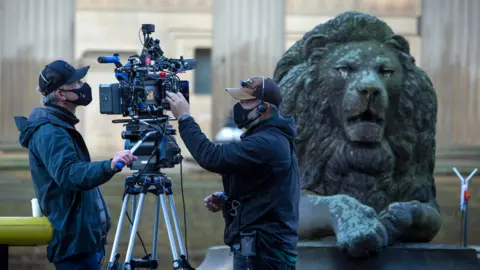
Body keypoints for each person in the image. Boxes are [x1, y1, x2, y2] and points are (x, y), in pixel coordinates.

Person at [166, 76, 300, 270]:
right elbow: (265, 191)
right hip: (259, 247)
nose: (239, 107)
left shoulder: (268, 142)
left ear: (265, 108)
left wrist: (185, 118)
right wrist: (229, 199)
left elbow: (212, 157)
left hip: (265, 252)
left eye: (246, 102)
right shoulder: (269, 138)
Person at [14, 60, 136, 270]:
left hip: (83, 242)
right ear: (61, 94)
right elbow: (70, 174)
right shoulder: (50, 131)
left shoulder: (60, 126)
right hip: (74, 244)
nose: (83, 86)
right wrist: (110, 165)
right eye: (77, 83)